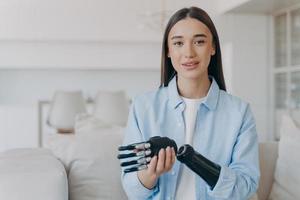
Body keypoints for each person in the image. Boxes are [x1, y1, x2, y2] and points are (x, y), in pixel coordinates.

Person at [121, 6, 260, 200]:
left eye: (199, 41)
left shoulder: (239, 112)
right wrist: (150, 174)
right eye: (178, 43)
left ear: (213, 47)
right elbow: (132, 190)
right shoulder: (143, 108)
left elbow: (245, 186)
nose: (189, 52)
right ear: (168, 51)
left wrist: (197, 163)